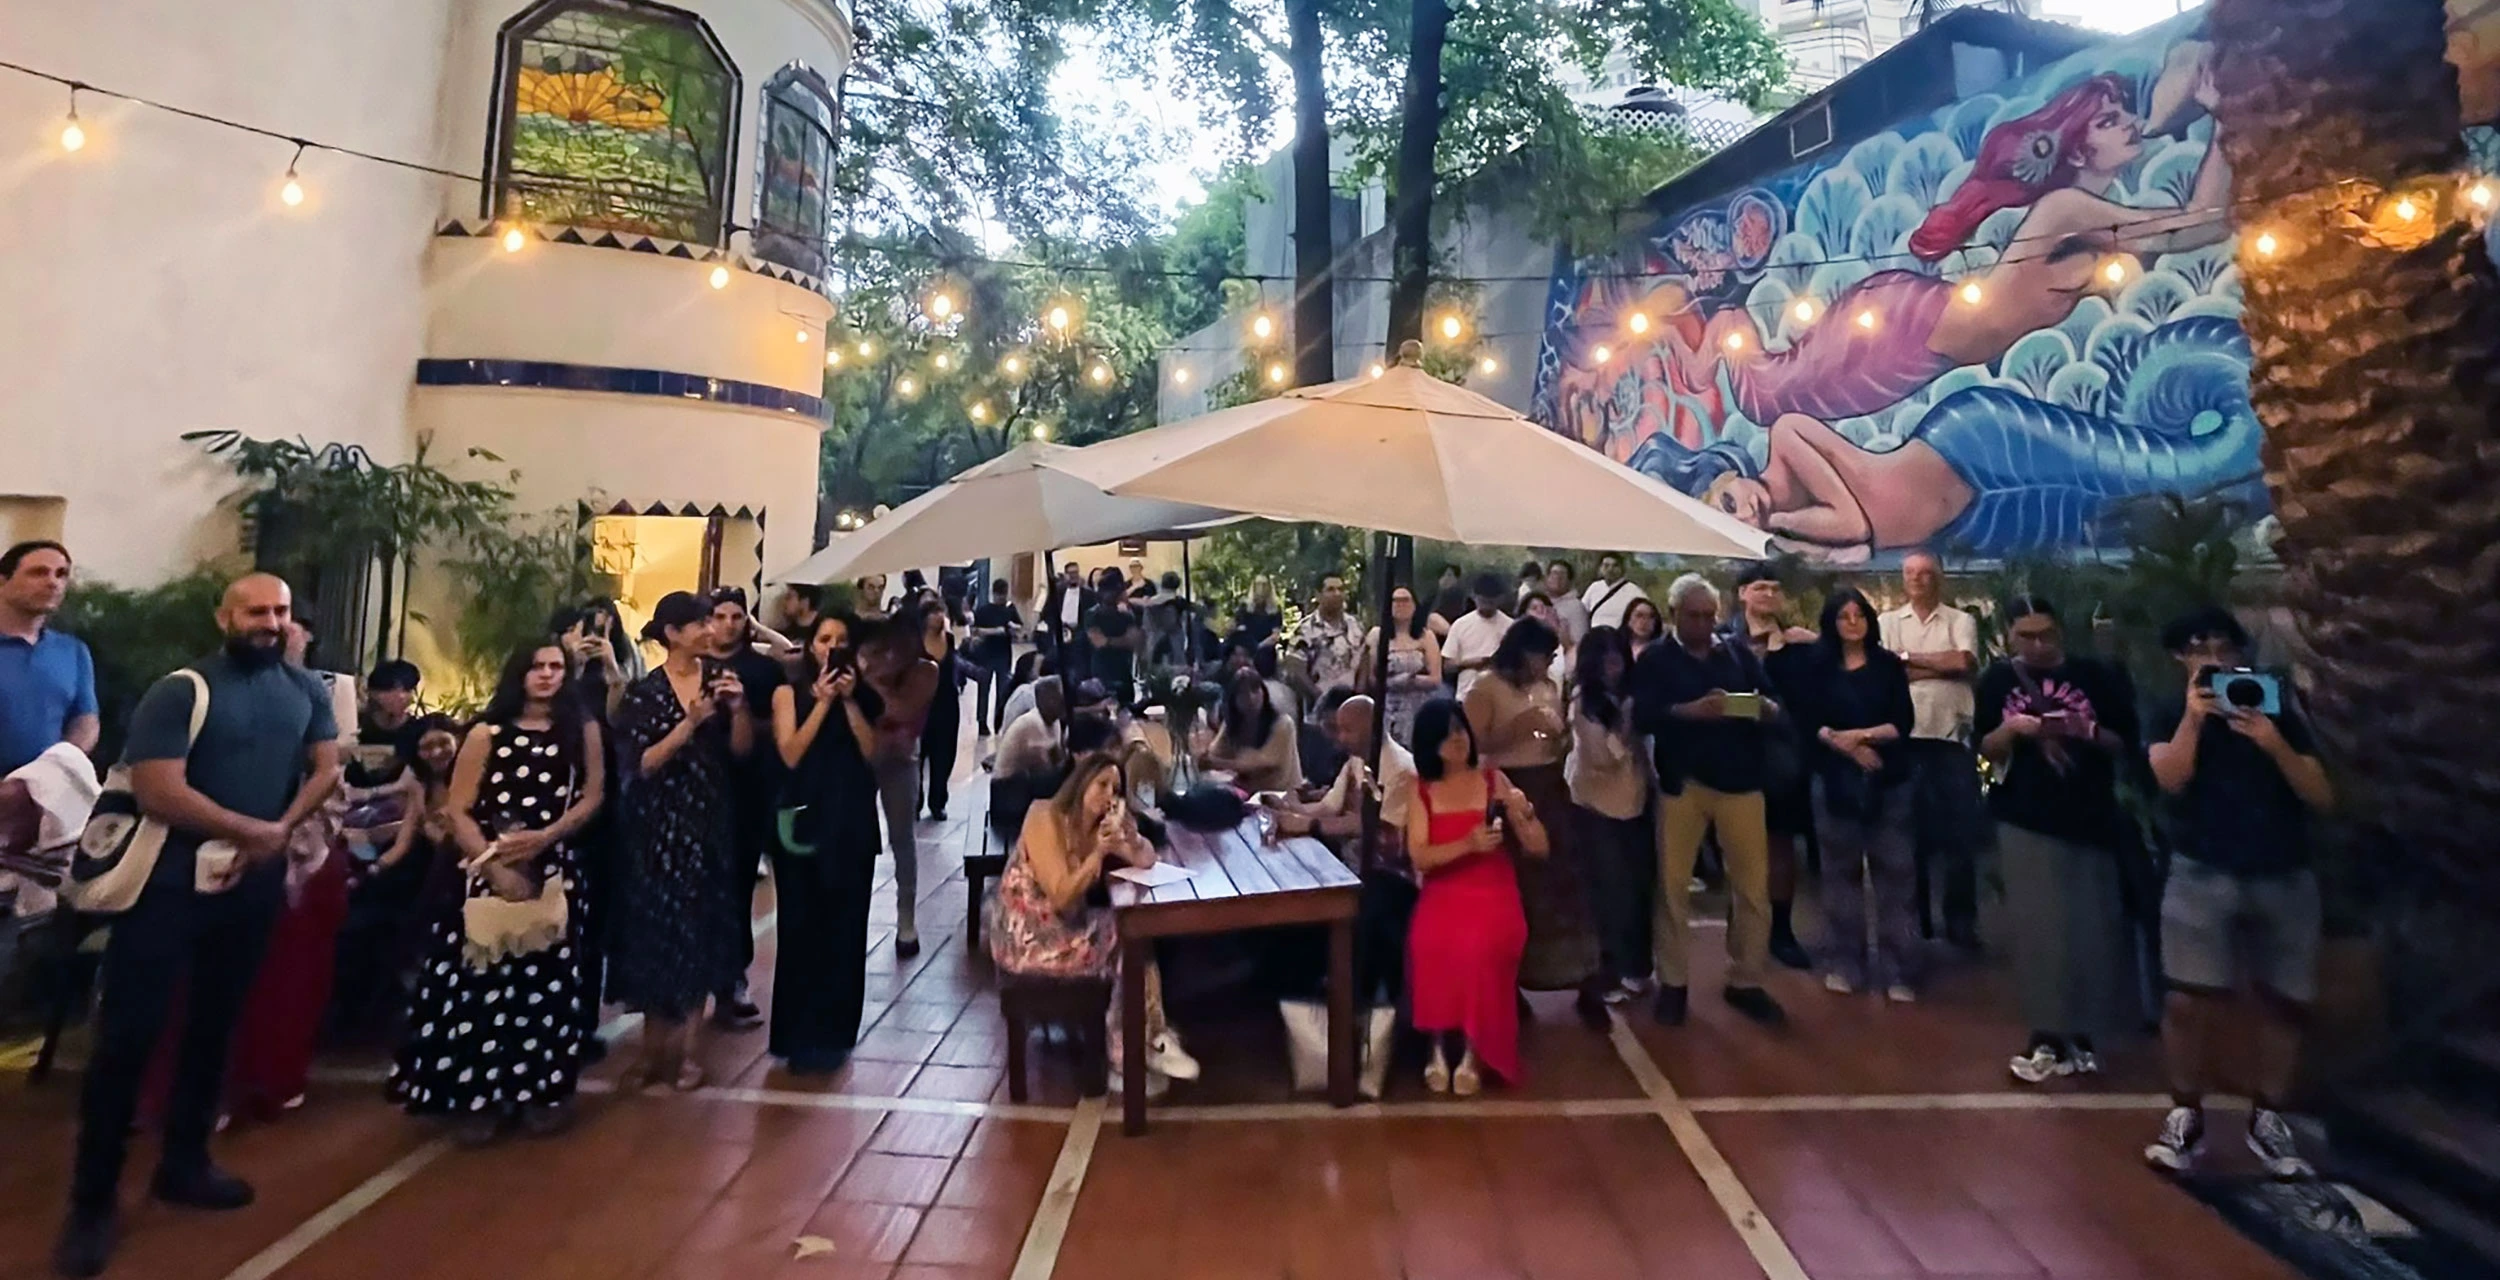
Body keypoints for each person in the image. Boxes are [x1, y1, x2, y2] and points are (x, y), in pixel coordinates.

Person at [1620, 51, 2225, 445]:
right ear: (2077, 147)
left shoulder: (2087, 221)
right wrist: (2222, 119)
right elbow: (2196, 222)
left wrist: (2209, 114)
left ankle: (1704, 337)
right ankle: (1692, 338)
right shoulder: (2066, 210)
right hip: (1903, 329)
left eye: (2122, 115)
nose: (2128, 124)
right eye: (2108, 120)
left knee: (1774, 390)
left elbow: (2199, 225)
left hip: (1915, 334)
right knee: (1771, 392)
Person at [55, 574, 340, 1279]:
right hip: (165, 887)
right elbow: (160, 789)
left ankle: (183, 1163)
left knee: (216, 1024)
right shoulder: (181, 690)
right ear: (224, 617)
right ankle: (91, 1203)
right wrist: (252, 830)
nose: (269, 622)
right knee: (129, 1037)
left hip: (250, 883)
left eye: (279, 611)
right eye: (255, 611)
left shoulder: (305, 690)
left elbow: (325, 768)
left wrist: (277, 830)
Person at [2142, 606, 2333, 1178]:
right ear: (2180, 657)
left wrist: (2274, 743)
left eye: (2224, 646)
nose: (2214, 657)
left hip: (2283, 870)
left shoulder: (2277, 709)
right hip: (2202, 870)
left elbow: (2322, 795)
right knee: (2187, 1001)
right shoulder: (2166, 711)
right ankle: (2185, 1113)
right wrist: (2194, 719)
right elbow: (2170, 777)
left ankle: (2268, 1117)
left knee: (2286, 1001)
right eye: (2199, 647)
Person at [390, 642, 604, 1142]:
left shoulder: (582, 730)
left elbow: (593, 795)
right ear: (518, 673)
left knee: (546, 988)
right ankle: (476, 1098)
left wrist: (548, 836)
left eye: (556, 667)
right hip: (487, 869)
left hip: (553, 868)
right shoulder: (486, 733)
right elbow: (458, 810)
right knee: (479, 986)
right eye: (537, 666)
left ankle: (539, 1092)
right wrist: (492, 866)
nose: (547, 675)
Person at [1975, 595, 2141, 1084]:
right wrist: (2011, 730)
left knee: (2092, 927)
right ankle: (2046, 1032)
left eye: (2045, 634)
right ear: (2009, 635)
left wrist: (2084, 729)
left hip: (2090, 816)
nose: (2038, 645)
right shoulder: (1998, 681)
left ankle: (2086, 1033)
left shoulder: (2097, 676)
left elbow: (2125, 743)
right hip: (2025, 817)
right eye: (2026, 636)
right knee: (2038, 929)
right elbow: (1984, 750)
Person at [987, 752, 1199, 1093]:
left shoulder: (1098, 830)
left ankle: (1142, 1042)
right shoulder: (1044, 815)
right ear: (1081, 782)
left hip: (1065, 929)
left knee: (1132, 933)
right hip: (1026, 936)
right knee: (1127, 934)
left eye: (1116, 789)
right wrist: (1099, 854)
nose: (1108, 795)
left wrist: (1131, 836)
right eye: (1102, 784)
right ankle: (1133, 1051)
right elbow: (1061, 895)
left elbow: (1146, 860)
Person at [610, 591, 753, 1094]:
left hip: (708, 822)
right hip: (656, 827)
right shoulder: (645, 692)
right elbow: (642, 764)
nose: (709, 631)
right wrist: (690, 722)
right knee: (654, 933)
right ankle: (651, 1051)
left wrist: (737, 710)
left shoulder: (721, 680)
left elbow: (741, 751)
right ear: (672, 633)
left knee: (700, 932)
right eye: (698, 624)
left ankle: (689, 1052)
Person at [1632, 574, 1788, 1028]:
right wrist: (1689, 711)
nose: (1702, 624)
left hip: (1742, 781)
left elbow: (1774, 704)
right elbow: (1642, 715)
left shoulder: (1736, 653)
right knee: (1672, 886)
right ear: (1674, 614)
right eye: (1693, 616)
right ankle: (1674, 982)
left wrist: (1754, 707)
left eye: (1708, 616)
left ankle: (1746, 979)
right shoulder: (1657, 658)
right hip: (1683, 783)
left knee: (1752, 887)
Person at [1464, 616, 1605, 1025]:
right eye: (1545, 655)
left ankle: (1585, 980)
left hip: (1550, 785)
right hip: (1508, 787)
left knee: (1567, 883)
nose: (1549, 663)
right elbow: (1469, 747)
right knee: (1518, 888)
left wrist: (1561, 739)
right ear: (1524, 653)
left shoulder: (1548, 687)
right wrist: (1517, 728)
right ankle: (1513, 984)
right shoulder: (1485, 687)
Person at [1405, 699, 1544, 1093]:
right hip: (1443, 889)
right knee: (1427, 942)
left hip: (1493, 889)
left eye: (1460, 729)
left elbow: (1538, 847)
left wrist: (1524, 813)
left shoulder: (1493, 780)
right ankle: (1436, 1047)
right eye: (1446, 734)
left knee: (1479, 945)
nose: (1457, 739)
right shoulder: (1420, 789)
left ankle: (1473, 1052)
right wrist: (1468, 844)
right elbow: (1420, 856)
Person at [765, 613, 883, 1074]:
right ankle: (797, 1036)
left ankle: (835, 1034)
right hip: (802, 822)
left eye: (841, 640)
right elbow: (791, 752)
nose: (831, 647)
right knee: (800, 929)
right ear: (810, 645)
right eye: (824, 639)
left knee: (846, 929)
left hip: (851, 821)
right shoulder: (787, 693)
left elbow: (871, 753)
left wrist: (849, 702)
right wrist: (821, 703)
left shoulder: (866, 696)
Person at [1794, 590, 1919, 1001]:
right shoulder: (1816, 667)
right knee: (1839, 875)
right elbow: (1806, 719)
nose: (1852, 623)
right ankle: (1846, 962)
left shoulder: (1887, 665)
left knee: (1896, 875)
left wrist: (1861, 738)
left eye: (1859, 615)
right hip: (1834, 781)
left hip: (1888, 779)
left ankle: (1899, 969)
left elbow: (1903, 720)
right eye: (1844, 616)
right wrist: (1842, 745)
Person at [1271, 690, 1419, 1011]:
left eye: (1346, 729)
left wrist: (1308, 825)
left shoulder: (1401, 769)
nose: (1339, 737)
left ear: (1371, 728)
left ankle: (1354, 998)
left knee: (1366, 907)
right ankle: (1307, 981)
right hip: (1354, 864)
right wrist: (1288, 810)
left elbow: (1374, 827)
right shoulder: (1355, 762)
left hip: (1395, 875)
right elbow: (1329, 806)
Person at [1877, 551, 1983, 949]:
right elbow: (1886, 672)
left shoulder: (1961, 620)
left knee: (1960, 832)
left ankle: (1960, 920)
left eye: (1925, 573)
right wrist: (1938, 666)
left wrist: (1907, 659)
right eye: (1910, 573)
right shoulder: (1887, 622)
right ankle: (1916, 918)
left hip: (1952, 737)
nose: (1917, 579)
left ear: (1938, 577)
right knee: (1908, 833)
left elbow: (1963, 662)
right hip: (1905, 737)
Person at [1722, 564, 1817, 971]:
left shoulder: (1799, 646)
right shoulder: (1722, 642)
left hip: (1782, 759)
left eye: (1776, 588)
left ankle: (1781, 930)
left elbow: (1805, 704)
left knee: (1780, 845)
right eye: (1760, 587)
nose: (1769, 594)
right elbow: (1715, 697)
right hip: (1733, 756)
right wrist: (1750, 708)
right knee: (1736, 847)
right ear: (1742, 593)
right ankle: (1742, 926)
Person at [707, 589, 786, 1031]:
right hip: (694, 795)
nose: (728, 625)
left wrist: (742, 715)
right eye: (720, 616)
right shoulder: (692, 666)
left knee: (737, 888)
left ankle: (732, 980)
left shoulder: (763, 669)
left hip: (746, 792)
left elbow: (777, 725)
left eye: (737, 616)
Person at [1567, 627, 1653, 1003]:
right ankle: (1609, 971)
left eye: (1618, 654)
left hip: (1637, 802)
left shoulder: (1633, 693)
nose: (1613, 663)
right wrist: (1625, 725)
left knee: (1638, 887)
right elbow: (1602, 758)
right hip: (1598, 805)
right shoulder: (1585, 702)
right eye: (1604, 656)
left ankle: (1637, 965)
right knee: (1609, 891)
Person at [862, 601, 940, 955]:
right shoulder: (872, 661)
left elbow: (900, 710)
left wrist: (870, 679)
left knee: (902, 837)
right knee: (857, 835)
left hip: (900, 759)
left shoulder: (926, 670)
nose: (895, 652)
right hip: (864, 753)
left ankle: (905, 917)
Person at [1, 540, 98, 777]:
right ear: (2, 582)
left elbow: (85, 722)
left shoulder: (72, 651)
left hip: (46, 792)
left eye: (61, 574)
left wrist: (47, 775)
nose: (53, 582)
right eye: (38, 573)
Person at [1362, 585, 1443, 746]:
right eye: (1395, 601)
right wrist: (1395, 682)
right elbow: (1372, 679)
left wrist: (1412, 680)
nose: (1400, 605)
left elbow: (1436, 679)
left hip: (1418, 707)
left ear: (1414, 605)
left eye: (1405, 600)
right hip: (1388, 708)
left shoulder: (1426, 636)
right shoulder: (1377, 635)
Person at [1203, 667, 1300, 793]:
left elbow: (1263, 763)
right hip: (1245, 793)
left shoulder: (1283, 723)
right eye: (1242, 693)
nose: (1250, 698)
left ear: (1264, 692)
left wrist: (1220, 763)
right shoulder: (1232, 723)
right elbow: (1214, 753)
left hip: (1281, 795)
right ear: (1233, 699)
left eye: (1255, 690)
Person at [919, 601, 968, 821]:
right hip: (921, 704)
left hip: (947, 702)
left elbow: (955, 666)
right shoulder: (915, 641)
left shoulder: (948, 639)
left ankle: (938, 802)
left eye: (942, 611)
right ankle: (916, 801)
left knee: (944, 755)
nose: (939, 616)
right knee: (919, 755)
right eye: (934, 612)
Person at [342, 660, 421, 790]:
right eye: (392, 689)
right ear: (373, 692)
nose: (401, 696)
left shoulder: (417, 730)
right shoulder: (354, 723)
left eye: (407, 689)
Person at [1440, 572, 1515, 701]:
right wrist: (1471, 663)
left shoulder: (1511, 627)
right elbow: (1447, 666)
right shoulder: (1460, 624)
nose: (1486, 605)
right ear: (1474, 597)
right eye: (1483, 600)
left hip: (1500, 697)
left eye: (1491, 601)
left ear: (1500, 599)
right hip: (1466, 695)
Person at [1294, 573, 1366, 703]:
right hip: (1319, 704)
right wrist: (1319, 697)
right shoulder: (1305, 629)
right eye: (1330, 589)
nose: (1337, 594)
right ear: (1318, 595)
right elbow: (1295, 669)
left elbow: (1365, 659)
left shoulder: (1356, 625)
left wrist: (1359, 692)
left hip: (1352, 702)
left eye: (1341, 589)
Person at [970, 578, 1022, 735]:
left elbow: (1019, 627)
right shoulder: (984, 610)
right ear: (995, 594)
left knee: (1002, 690)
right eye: (1001, 595)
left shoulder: (1009, 610)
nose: (1003, 598)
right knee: (984, 689)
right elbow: (974, 631)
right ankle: (982, 722)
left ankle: (997, 721)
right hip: (987, 654)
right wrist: (997, 630)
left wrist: (1013, 628)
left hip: (1002, 654)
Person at [993, 676, 1070, 783]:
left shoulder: (1054, 722)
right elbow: (1043, 765)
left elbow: (1058, 759)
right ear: (1045, 699)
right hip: (1007, 784)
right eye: (1059, 697)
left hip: (1028, 780)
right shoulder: (1030, 723)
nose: (1064, 702)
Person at [1085, 569, 1143, 708]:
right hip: (1102, 672)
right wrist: (1122, 640)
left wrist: (1111, 641)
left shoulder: (1126, 616)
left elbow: (1136, 641)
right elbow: (1099, 642)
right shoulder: (1092, 615)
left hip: (1124, 672)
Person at [1043, 563, 1092, 674]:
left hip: (1079, 635)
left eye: (1075, 572)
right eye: (1070, 573)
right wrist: (1056, 628)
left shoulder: (1088, 594)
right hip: (1060, 632)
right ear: (1065, 575)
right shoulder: (1057, 592)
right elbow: (1047, 612)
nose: (1073, 576)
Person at [1580, 552, 1648, 633]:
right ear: (1600, 568)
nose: (1610, 569)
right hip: (1595, 636)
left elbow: (1646, 612)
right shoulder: (1594, 587)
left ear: (1622, 569)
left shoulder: (1633, 590)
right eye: (1606, 565)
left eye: (1615, 566)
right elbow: (1582, 612)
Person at [1544, 561, 1590, 648]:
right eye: (1554, 573)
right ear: (1547, 578)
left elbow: (1581, 644)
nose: (1557, 578)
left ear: (1569, 581)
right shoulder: (1539, 603)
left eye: (1562, 575)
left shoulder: (1576, 607)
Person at [1426, 563, 1467, 640]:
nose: (1445, 578)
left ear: (1456, 579)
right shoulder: (1430, 597)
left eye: (1449, 575)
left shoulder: (1462, 597)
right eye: (1442, 575)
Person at [1621, 597, 1666, 662]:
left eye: (1651, 617)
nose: (1644, 622)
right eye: (1639, 615)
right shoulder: (1616, 647)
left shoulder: (1662, 650)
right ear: (1628, 619)